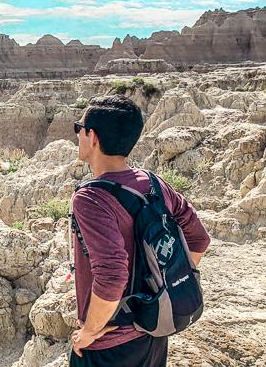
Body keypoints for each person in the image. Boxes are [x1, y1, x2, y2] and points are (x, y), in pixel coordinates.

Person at [69, 95, 210, 366]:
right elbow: (199, 239)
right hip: (153, 333)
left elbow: (112, 276)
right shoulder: (154, 184)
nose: (78, 135)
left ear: (93, 136)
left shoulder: (90, 198)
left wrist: (89, 331)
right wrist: (160, 292)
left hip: (109, 348)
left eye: (79, 128)